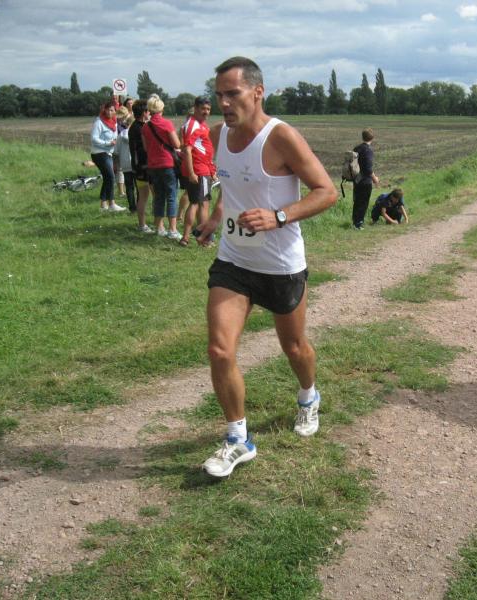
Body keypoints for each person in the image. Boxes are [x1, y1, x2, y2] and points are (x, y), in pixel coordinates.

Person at [195, 56, 337, 478]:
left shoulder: (281, 137)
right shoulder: (218, 135)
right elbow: (232, 184)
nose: (223, 102)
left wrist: (279, 216)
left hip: (280, 265)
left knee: (294, 347)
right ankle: (238, 438)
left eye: (232, 93)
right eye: (218, 95)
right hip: (234, 260)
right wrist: (217, 217)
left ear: (258, 92)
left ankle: (308, 396)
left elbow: (327, 191)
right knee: (219, 349)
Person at [141, 96, 182, 240]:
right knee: (171, 195)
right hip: (167, 163)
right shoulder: (166, 124)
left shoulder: (145, 127)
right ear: (161, 109)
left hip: (153, 165)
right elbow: (177, 144)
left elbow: (146, 148)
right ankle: (173, 229)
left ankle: (159, 227)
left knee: (158, 196)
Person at [179, 96, 217, 247]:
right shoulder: (193, 125)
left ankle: (186, 238)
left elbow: (205, 150)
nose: (206, 112)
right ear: (195, 108)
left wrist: (212, 170)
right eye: (203, 109)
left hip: (202, 169)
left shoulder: (200, 125)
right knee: (203, 204)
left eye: (208, 109)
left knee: (195, 202)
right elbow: (187, 150)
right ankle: (204, 239)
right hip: (199, 170)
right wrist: (191, 173)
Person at [90, 101, 126, 212]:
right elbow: (94, 139)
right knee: (111, 177)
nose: (109, 112)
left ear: (115, 111)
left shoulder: (114, 122)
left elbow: (115, 136)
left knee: (107, 178)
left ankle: (103, 205)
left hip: (108, 153)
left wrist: (114, 141)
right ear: (104, 110)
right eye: (108, 110)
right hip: (99, 153)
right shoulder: (99, 122)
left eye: (112, 110)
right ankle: (112, 204)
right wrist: (107, 143)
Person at [128, 100, 153, 232]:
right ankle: (149, 225)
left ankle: (142, 225)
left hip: (137, 166)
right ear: (144, 113)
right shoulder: (143, 128)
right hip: (145, 166)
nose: (150, 113)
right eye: (148, 111)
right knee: (147, 195)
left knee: (143, 195)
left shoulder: (133, 127)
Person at [351, 128, 378, 230]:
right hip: (365, 181)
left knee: (357, 201)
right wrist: (375, 179)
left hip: (356, 179)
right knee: (363, 202)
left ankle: (355, 222)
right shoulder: (368, 150)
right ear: (372, 138)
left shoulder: (356, 148)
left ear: (363, 137)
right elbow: (368, 168)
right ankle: (359, 224)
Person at [115, 107, 136, 213]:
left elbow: (116, 152)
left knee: (129, 187)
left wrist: (116, 164)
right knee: (139, 186)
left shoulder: (120, 135)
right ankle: (139, 205)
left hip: (125, 164)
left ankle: (132, 207)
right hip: (136, 163)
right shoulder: (136, 134)